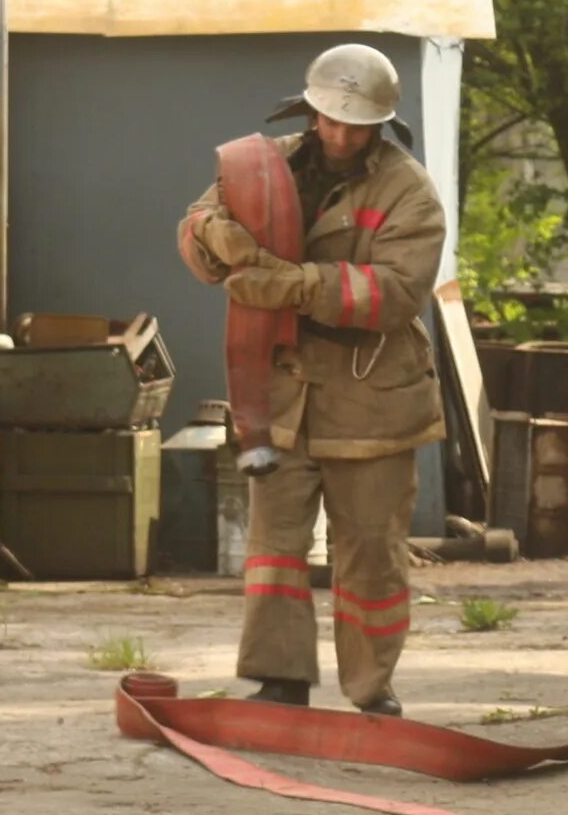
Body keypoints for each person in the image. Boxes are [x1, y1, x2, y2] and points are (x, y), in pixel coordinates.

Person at [175, 44, 446, 717]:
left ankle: (371, 690)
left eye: (358, 125)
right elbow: (197, 223)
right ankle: (279, 678)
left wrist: (297, 286)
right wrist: (211, 233)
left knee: (371, 558)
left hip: (373, 400)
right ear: (310, 108)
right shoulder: (262, 166)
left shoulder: (408, 190)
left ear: (382, 124)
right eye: (331, 119)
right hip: (283, 398)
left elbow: (399, 293)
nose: (343, 135)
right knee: (275, 551)